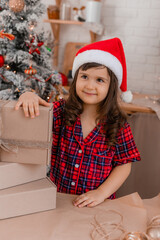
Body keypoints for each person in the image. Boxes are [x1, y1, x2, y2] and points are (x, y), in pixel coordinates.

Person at [15, 38, 141, 208]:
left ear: (111, 86)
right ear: (76, 78)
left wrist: (101, 193)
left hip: (96, 205)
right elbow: (36, 120)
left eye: (99, 80)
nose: (89, 85)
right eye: (84, 77)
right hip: (58, 200)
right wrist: (27, 96)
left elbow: (124, 164)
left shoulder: (118, 124)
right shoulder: (60, 111)